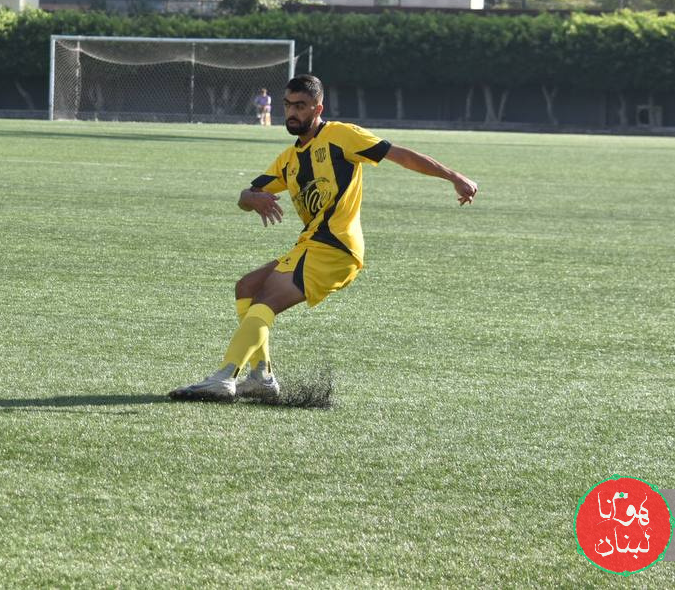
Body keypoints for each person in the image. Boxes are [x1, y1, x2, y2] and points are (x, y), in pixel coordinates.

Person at [170, 74, 478, 402]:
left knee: (266, 301)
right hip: (313, 245)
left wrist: (453, 176)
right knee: (247, 287)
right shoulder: (289, 159)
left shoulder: (341, 136)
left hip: (335, 245)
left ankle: (224, 377)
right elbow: (248, 194)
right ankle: (261, 377)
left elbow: (399, 155)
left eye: (300, 106)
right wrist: (250, 198)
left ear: (318, 108)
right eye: (288, 105)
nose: (292, 112)